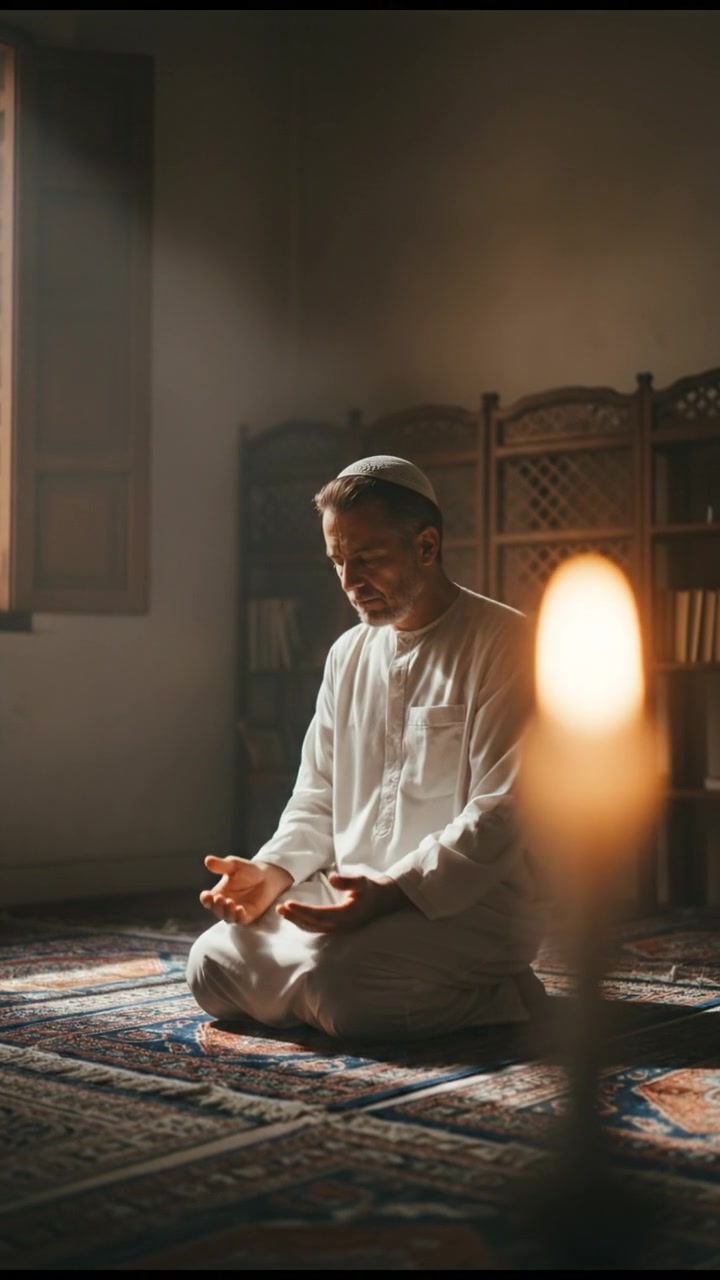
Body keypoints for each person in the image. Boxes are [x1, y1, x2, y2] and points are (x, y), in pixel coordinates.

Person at [186, 454, 548, 1040]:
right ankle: (325, 987)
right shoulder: (347, 654)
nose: (351, 582)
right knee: (209, 965)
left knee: (342, 991)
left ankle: (499, 991)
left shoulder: (508, 642)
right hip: (352, 894)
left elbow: (501, 811)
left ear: (426, 546)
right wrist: (272, 872)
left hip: (464, 904)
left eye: (369, 560)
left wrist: (394, 892)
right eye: (338, 561)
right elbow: (317, 794)